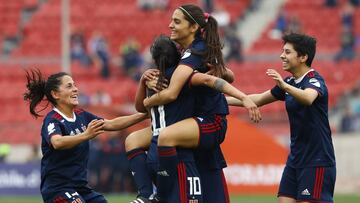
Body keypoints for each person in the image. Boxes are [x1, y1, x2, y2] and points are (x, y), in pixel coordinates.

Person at [136, 4, 260, 203]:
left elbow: (171, 94)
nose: (170, 25)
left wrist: (148, 99)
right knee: (134, 140)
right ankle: (146, 193)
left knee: (165, 136)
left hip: (209, 122)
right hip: (194, 121)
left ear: (193, 27)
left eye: (177, 22)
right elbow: (229, 75)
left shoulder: (193, 54)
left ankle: (160, 194)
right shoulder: (193, 50)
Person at [227, 33, 336, 203]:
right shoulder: (290, 82)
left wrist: (284, 86)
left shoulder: (314, 80)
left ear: (303, 57)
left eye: (287, 52)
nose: (281, 56)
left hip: (317, 160)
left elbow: (308, 98)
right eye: (282, 51)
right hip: (295, 158)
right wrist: (221, 101)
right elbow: (258, 99)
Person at [23, 69, 148, 203]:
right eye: (69, 86)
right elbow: (57, 142)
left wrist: (144, 115)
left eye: (74, 85)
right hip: (58, 188)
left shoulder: (82, 115)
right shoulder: (53, 119)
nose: (75, 89)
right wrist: (86, 135)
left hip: (81, 188)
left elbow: (111, 124)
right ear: (55, 94)